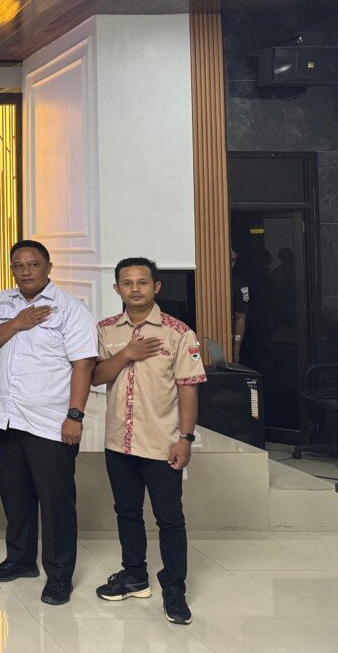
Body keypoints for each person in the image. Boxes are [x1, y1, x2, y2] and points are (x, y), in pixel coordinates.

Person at [92, 257, 206, 626]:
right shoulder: (106, 330)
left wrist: (185, 438)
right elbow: (95, 376)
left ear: (156, 287)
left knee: (169, 519)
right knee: (127, 513)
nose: (135, 289)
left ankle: (174, 588)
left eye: (142, 282)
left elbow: (188, 388)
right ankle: (134, 577)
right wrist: (127, 353)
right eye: (127, 283)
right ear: (117, 289)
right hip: (119, 442)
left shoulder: (178, 332)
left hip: (162, 443)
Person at [0, 239, 96, 606]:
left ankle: (59, 574)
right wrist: (17, 324)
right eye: (18, 265)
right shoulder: (1, 303)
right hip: (6, 418)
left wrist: (75, 416)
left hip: (50, 422)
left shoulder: (70, 308)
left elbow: (83, 365)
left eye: (33, 264)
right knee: (15, 497)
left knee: (55, 502)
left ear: (48, 267)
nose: (26, 271)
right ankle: (20, 560)